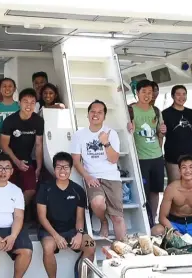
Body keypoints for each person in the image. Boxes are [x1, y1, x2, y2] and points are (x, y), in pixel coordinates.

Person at [71, 100, 126, 240]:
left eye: (99, 112)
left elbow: (114, 160)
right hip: (93, 177)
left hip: (112, 177)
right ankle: (103, 221)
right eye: (92, 112)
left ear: (104, 116)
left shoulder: (111, 133)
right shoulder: (79, 135)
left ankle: (124, 249)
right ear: (88, 114)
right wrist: (87, 177)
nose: (95, 115)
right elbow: (76, 162)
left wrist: (105, 143)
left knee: (118, 218)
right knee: (97, 203)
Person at [37, 152, 96, 278]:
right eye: (59, 167)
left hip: (71, 230)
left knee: (91, 245)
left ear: (71, 169)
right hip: (50, 232)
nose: (62, 170)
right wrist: (56, 236)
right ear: (54, 169)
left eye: (66, 167)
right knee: (48, 248)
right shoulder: (44, 189)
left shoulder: (78, 190)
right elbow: (42, 217)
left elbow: (80, 217)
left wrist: (80, 233)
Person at [127, 79, 166, 227]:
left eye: (150, 92)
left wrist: (163, 132)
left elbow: (160, 132)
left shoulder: (156, 111)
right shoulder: (130, 110)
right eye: (144, 92)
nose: (147, 95)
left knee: (155, 191)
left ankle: (153, 219)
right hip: (141, 159)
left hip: (157, 157)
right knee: (143, 190)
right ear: (137, 93)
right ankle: (143, 220)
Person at [1, 88, 44, 207]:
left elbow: (39, 144)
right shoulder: (10, 121)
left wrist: (39, 167)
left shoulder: (38, 121)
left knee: (31, 190)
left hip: (26, 160)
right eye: (25, 101)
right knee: (8, 189)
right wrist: (16, 161)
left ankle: (18, 211)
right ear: (19, 103)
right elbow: (4, 145)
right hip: (9, 159)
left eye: (32, 102)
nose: (29, 105)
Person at [162, 85, 192, 183]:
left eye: (184, 94)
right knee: (175, 185)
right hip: (173, 156)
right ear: (172, 96)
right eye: (178, 94)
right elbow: (161, 134)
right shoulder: (165, 113)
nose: (181, 97)